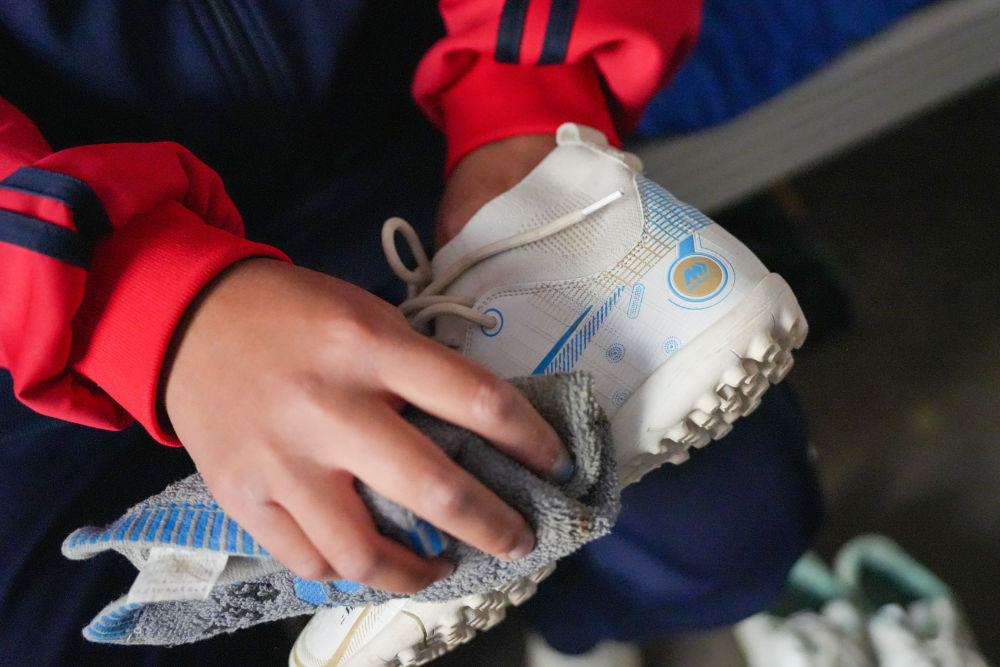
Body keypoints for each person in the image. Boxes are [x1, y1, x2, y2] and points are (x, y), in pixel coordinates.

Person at [0, 2, 821, 664]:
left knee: (733, 527)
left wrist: (522, 102)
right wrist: (145, 305)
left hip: (402, 141)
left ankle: (563, 622)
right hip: (42, 308)